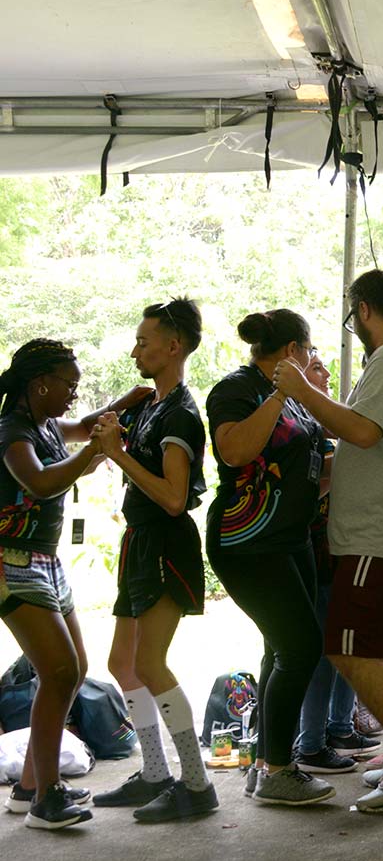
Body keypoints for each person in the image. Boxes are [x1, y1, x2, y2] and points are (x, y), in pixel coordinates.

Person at [272, 269, 383, 811]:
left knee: (346, 649)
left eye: (353, 317)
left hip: (381, 535)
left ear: (365, 310)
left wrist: (300, 390)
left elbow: (363, 430)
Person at [1, 340, 145, 828]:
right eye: (70, 385)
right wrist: (95, 455)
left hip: (44, 560)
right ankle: (47, 800)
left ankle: (28, 787)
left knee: (74, 668)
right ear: (40, 383)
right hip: (10, 562)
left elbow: (84, 428)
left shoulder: (41, 424)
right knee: (59, 671)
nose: (74, 395)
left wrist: (123, 404)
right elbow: (38, 483)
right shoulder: (11, 432)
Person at [92, 300, 218, 822]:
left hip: (166, 542)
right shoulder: (150, 405)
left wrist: (118, 455)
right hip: (141, 541)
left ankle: (197, 782)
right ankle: (154, 773)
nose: (135, 349)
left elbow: (173, 497)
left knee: (148, 663)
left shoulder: (182, 413)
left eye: (144, 341)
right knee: (122, 664)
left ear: (174, 347)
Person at [204, 310, 335, 807]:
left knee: (281, 650)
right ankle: (281, 767)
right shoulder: (236, 390)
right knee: (301, 648)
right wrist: (282, 393)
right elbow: (236, 451)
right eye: (310, 349)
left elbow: (304, 467)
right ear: (291, 352)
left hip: (292, 538)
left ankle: (265, 761)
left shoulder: (299, 400)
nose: (314, 358)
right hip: (249, 539)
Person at [293, 349, 376, 771]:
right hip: (313, 550)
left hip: (337, 549)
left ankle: (337, 726)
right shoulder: (298, 422)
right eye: (315, 366)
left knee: (342, 644)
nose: (325, 373)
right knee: (319, 651)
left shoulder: (323, 421)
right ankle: (309, 742)